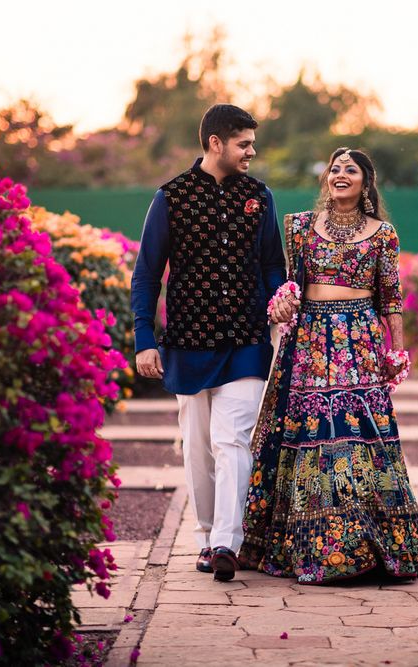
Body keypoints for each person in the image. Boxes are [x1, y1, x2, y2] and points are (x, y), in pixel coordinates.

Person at [239, 147, 418, 584]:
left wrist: (397, 350)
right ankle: (317, 549)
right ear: (326, 179)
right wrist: (284, 299)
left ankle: (368, 547)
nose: (340, 175)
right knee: (314, 439)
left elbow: (391, 296)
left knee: (357, 439)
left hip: (361, 344)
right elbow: (285, 281)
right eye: (334, 169)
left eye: (350, 170)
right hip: (311, 343)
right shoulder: (297, 228)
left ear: (366, 183)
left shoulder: (382, 234)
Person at [131, 104, 292, 582]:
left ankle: (227, 541)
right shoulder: (171, 198)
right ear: (216, 143)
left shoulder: (259, 196)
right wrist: (145, 338)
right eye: (243, 143)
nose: (251, 151)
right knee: (198, 446)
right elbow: (146, 275)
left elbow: (271, 265)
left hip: (245, 341)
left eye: (252, 143)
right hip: (188, 343)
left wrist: (280, 302)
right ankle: (206, 537)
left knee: (232, 440)